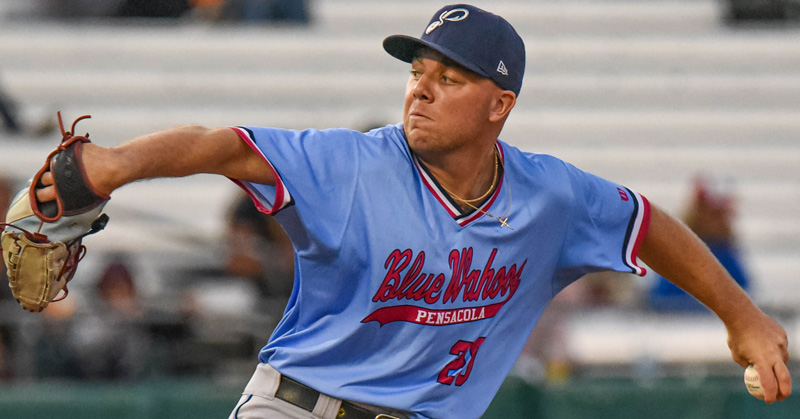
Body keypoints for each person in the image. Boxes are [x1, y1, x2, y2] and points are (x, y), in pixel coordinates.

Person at [30, 4, 791, 419]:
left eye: (448, 78)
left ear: (500, 105)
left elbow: (647, 223)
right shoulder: (353, 164)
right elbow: (224, 146)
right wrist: (114, 165)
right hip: (299, 410)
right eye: (417, 71)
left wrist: (743, 318)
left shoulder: (552, 198)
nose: (419, 88)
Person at [650, 175, 752, 311]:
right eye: (713, 215)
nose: (721, 222)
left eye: (722, 216)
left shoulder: (727, 255)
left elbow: (742, 291)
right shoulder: (677, 254)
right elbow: (663, 296)